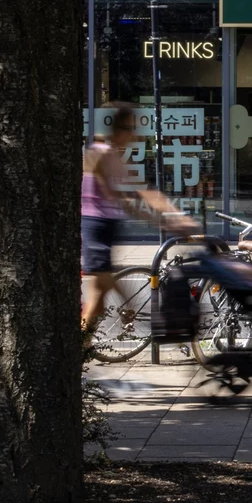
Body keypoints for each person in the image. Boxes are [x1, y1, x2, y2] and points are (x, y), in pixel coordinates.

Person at [81, 104, 192, 338]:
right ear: (117, 129)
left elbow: (135, 194)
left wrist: (168, 218)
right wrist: (170, 218)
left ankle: (80, 356)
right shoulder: (99, 154)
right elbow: (135, 194)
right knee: (99, 295)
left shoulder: (109, 155)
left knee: (98, 303)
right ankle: (75, 357)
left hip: (105, 228)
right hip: (96, 229)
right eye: (131, 128)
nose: (134, 135)